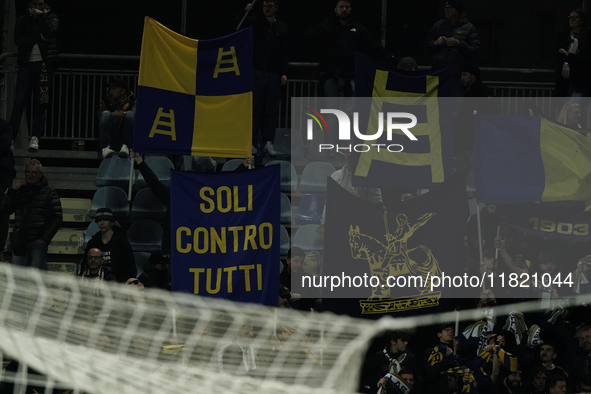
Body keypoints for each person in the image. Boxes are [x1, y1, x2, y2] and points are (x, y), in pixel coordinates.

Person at [240, 0, 288, 158]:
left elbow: (284, 53)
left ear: (276, 7)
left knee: (271, 111)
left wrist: (284, 72)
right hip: (256, 72)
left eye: (270, 6)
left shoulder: (281, 27)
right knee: (254, 110)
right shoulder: (256, 23)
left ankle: (268, 141)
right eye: (264, 5)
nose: (266, 8)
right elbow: (238, 27)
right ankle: (252, 142)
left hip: (273, 74)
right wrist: (246, 11)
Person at [10, 0, 58, 153]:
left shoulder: (52, 17)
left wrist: (42, 17)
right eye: (35, 4)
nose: (38, 7)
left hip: (44, 65)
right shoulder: (23, 20)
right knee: (19, 101)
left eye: (41, 4)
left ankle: (35, 137)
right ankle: (10, 137)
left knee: (41, 102)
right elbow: (18, 40)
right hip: (26, 64)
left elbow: (50, 32)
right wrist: (38, 37)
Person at [0, 159, 62, 269]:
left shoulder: (49, 192)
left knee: (35, 280)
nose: (30, 175)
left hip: (37, 242)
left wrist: (44, 238)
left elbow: (57, 217)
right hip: (20, 242)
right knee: (18, 280)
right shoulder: (19, 190)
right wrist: (12, 190)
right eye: (28, 172)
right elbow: (5, 210)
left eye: (34, 172)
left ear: (40, 175)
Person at [426, 0, 480, 94]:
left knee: (456, 105)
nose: (446, 10)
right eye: (445, 8)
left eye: (449, 8)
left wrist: (459, 44)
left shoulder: (469, 28)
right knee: (438, 106)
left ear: (457, 10)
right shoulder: (438, 25)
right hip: (439, 74)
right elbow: (425, 47)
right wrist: (435, 43)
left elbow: (475, 52)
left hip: (457, 76)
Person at [84, 207, 136, 283]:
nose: (102, 223)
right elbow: (85, 264)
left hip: (118, 282)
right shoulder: (93, 243)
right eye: (99, 220)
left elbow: (130, 268)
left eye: (105, 220)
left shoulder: (121, 242)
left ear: (111, 222)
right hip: (96, 281)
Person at [555, 9, 591, 98]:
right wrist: (566, 62)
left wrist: (569, 56)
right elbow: (559, 53)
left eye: (575, 17)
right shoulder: (564, 35)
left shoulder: (588, 37)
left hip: (582, 80)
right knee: (564, 107)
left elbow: (586, 57)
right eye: (570, 17)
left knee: (575, 104)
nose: (571, 19)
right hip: (565, 79)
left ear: (581, 20)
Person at [98, 78, 136, 159]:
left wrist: (113, 115)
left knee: (130, 115)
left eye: (114, 89)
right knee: (105, 114)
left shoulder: (133, 101)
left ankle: (126, 147)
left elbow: (134, 115)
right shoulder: (105, 102)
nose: (111, 92)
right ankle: (105, 148)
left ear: (123, 91)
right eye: (110, 89)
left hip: (126, 136)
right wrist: (122, 114)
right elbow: (102, 118)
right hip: (112, 136)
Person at [0, 117, 15, 261]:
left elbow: (3, 146)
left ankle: (0, 248)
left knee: (2, 212)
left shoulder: (5, 125)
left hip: (2, 175)